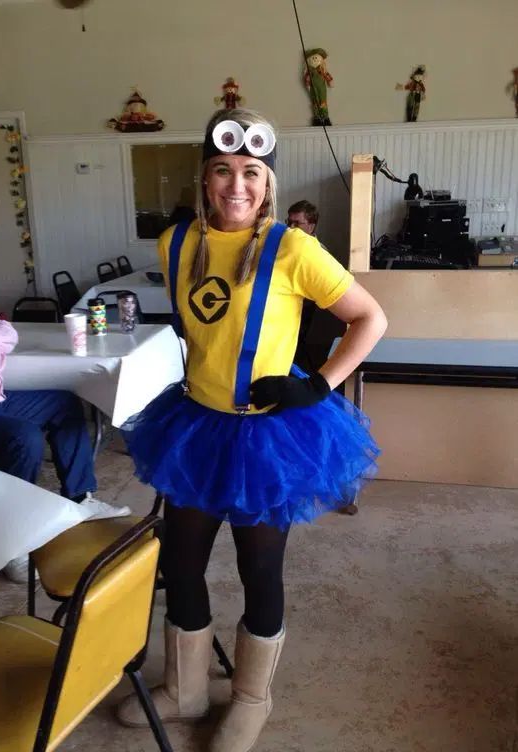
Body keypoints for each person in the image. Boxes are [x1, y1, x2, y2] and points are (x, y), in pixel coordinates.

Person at [118, 109, 387, 751]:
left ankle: (250, 697)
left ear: (266, 184)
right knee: (181, 563)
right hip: (195, 427)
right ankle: (184, 690)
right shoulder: (174, 242)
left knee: (259, 569)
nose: (236, 186)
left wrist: (317, 383)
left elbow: (370, 319)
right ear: (204, 179)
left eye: (250, 173)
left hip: (268, 435)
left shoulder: (293, 248)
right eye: (222, 171)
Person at [0, 233, 130, 583]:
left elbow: (5, 328)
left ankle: (80, 496)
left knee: (64, 402)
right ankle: (13, 544)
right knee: (23, 438)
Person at [286, 199, 331, 371]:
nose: (290, 227)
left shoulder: (319, 252)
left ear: (311, 226)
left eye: (297, 223)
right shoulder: (288, 245)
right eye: (288, 222)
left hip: (306, 314)